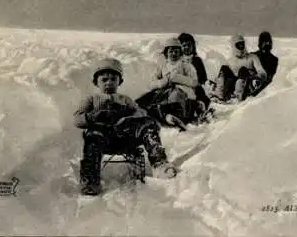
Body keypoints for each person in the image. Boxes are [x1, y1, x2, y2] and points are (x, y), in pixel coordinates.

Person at [73, 58, 176, 196]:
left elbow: (141, 112)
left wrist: (127, 117)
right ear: (96, 82)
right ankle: (90, 181)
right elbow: (77, 119)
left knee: (148, 123)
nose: (109, 83)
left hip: (125, 137)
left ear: (119, 81)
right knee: (93, 135)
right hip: (103, 139)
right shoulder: (92, 99)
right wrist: (93, 117)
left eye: (113, 79)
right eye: (104, 80)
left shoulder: (124, 99)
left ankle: (160, 163)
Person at [136, 37, 199, 128]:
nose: (174, 54)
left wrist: (177, 78)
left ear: (180, 53)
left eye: (176, 51)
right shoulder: (162, 66)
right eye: (171, 51)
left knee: (176, 98)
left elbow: (194, 81)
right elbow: (151, 83)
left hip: (182, 93)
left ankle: (176, 116)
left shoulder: (186, 65)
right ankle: (142, 113)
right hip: (165, 92)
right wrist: (162, 82)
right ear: (166, 53)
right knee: (147, 98)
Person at [211, 34, 267, 102]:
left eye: (242, 44)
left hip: (247, 85)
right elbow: (224, 75)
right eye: (238, 44)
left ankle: (237, 97)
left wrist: (258, 78)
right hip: (233, 85)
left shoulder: (252, 57)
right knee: (224, 68)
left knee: (242, 70)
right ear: (234, 46)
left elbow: (262, 71)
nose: (241, 46)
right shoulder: (230, 60)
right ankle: (219, 95)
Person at [178, 33, 211, 114]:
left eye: (189, 45)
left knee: (199, 93)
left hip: (195, 88)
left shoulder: (197, 60)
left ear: (193, 46)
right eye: (184, 45)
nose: (186, 47)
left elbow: (203, 78)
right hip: (180, 88)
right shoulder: (177, 60)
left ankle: (200, 107)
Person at [250, 31, 278, 96]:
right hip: (250, 84)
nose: (267, 45)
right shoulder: (253, 56)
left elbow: (270, 79)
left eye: (268, 42)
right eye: (265, 42)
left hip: (263, 89)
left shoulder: (274, 60)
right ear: (260, 43)